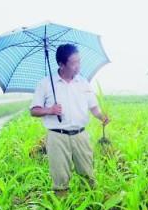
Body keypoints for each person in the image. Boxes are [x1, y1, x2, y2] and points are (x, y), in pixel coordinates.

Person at [30, 44, 109, 197]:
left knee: (88, 174)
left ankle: (91, 208)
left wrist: (101, 116)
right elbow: (34, 110)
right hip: (57, 136)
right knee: (60, 178)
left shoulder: (83, 82)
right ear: (61, 64)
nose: (78, 66)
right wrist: (49, 110)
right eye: (74, 63)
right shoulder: (46, 84)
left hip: (80, 135)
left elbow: (94, 107)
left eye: (79, 61)